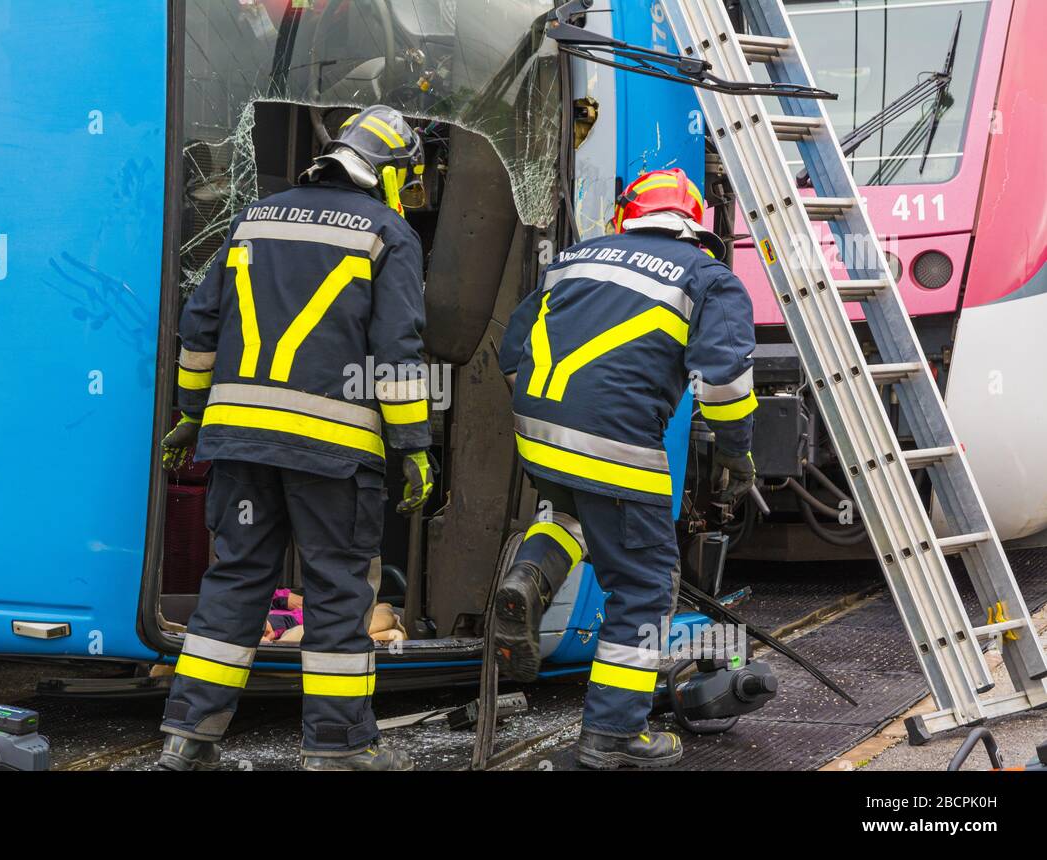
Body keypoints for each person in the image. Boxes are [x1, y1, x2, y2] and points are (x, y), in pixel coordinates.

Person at [155, 105, 434, 772]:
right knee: (337, 591)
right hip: (331, 456)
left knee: (233, 582)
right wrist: (415, 445)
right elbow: (396, 351)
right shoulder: (389, 234)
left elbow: (200, 327)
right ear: (388, 173)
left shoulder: (257, 218)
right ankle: (337, 749)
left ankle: (187, 738)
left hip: (239, 444)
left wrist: (193, 414)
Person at [494, 168, 757, 769]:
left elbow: (513, 349)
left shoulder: (572, 259)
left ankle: (529, 575)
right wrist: (736, 452)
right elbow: (723, 383)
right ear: (693, 222)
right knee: (642, 586)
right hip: (615, 443)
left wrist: (554, 420)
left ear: (626, 217)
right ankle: (614, 735)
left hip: (538, 427)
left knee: (568, 509)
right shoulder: (709, 278)